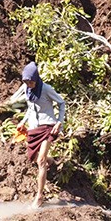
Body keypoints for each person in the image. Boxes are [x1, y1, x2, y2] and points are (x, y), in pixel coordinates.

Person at [9, 62, 66, 208]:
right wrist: (23, 121)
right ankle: (51, 161)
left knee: (40, 161)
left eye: (31, 81)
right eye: (26, 82)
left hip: (48, 126)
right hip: (34, 127)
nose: (29, 84)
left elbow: (61, 103)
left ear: (36, 78)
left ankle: (39, 197)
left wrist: (59, 122)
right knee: (34, 157)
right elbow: (30, 108)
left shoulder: (46, 89)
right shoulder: (26, 88)